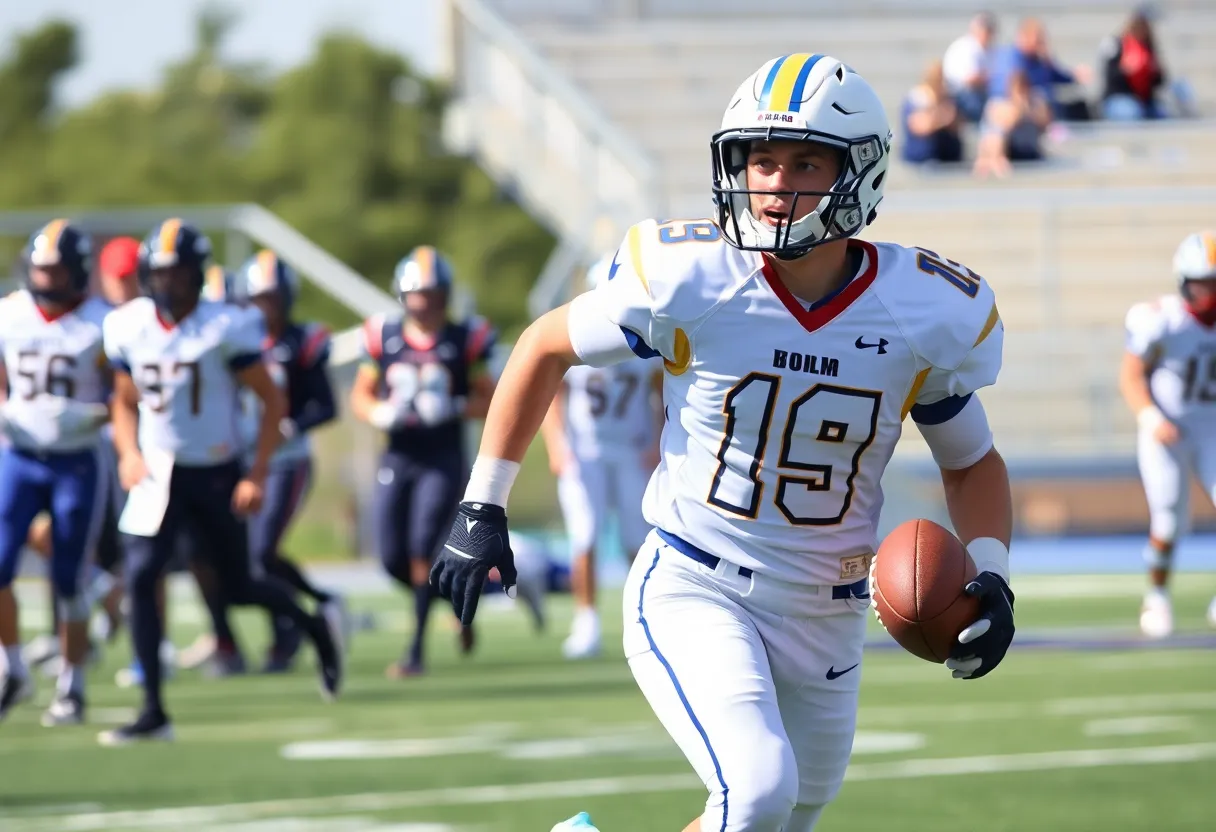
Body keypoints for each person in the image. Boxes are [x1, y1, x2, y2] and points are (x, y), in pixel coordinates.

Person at [430, 52, 1017, 832]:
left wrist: (996, 575)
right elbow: (543, 345)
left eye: (805, 161)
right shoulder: (696, 276)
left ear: (860, 173)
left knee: (786, 812)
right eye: (761, 160)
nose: (775, 182)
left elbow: (971, 461)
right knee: (759, 790)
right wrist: (482, 504)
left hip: (829, 607)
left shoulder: (921, 311)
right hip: (697, 581)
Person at [98, 219, 341, 744]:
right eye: (160, 273)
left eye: (180, 273)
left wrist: (256, 473)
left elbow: (273, 401)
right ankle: (153, 709)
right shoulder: (127, 325)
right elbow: (121, 398)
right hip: (158, 471)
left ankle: (314, 625)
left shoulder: (226, 325)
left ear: (196, 273)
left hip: (215, 469)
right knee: (141, 576)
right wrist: (127, 452)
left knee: (238, 586)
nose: (169, 283)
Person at [349, 246, 497, 678]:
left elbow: (489, 399)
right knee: (392, 557)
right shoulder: (382, 336)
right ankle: (459, 600)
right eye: (419, 295)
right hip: (398, 454)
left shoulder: (464, 338)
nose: (426, 304)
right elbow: (360, 395)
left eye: (433, 295)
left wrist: (453, 406)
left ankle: (414, 651)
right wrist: (378, 412)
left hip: (442, 456)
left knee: (419, 548)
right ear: (403, 296)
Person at [0, 220, 112, 726]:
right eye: (41, 269)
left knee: (69, 577)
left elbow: (129, 397)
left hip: (77, 460)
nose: (47, 279)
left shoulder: (103, 323)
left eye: (57, 269)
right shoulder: (9, 315)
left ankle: (73, 684)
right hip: (20, 457)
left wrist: (91, 414)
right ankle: (13, 667)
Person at [542, 254, 663, 659]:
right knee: (585, 534)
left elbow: (661, 393)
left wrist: (657, 442)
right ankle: (586, 621)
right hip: (586, 452)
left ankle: (645, 617)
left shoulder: (649, 337)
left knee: (638, 539)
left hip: (631, 449)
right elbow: (552, 395)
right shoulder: (577, 334)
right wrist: (557, 445)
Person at [231, 250, 345, 672]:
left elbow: (326, 405)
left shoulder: (301, 341)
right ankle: (319, 603)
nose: (267, 307)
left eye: (273, 298)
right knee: (248, 556)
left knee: (262, 550)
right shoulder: (234, 337)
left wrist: (290, 427)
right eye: (259, 298)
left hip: (286, 460)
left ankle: (289, 634)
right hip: (239, 459)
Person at [1120, 231, 1216, 639]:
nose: (1210, 294)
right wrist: (1150, 418)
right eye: (1203, 284)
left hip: (1212, 426)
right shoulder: (1161, 320)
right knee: (1169, 521)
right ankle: (1157, 595)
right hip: (1169, 430)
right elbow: (1130, 375)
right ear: (1184, 282)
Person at [1099, 8, 1166, 121]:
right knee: (1131, 112)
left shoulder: (1148, 47)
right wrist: (1126, 69)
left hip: (1145, 100)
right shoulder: (1116, 44)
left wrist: (1153, 72)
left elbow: (1161, 81)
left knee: (1163, 115)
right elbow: (1109, 76)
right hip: (1119, 97)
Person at [900, 60, 964, 165]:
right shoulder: (917, 97)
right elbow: (921, 127)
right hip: (921, 156)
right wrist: (941, 119)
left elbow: (955, 122)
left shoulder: (948, 97)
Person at [942, 11, 998, 122]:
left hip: (978, 93)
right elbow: (970, 79)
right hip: (959, 95)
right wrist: (992, 78)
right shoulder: (968, 47)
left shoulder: (988, 50)